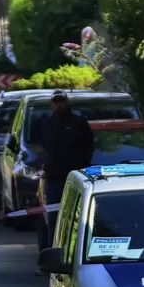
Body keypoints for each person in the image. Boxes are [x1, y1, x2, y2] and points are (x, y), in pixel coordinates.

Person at [33, 92, 94, 243]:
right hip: (54, 180)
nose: (59, 104)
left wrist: (82, 167)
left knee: (77, 219)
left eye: (62, 101)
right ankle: (52, 252)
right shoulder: (47, 124)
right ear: (52, 104)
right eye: (56, 101)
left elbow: (88, 147)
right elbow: (44, 148)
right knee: (53, 219)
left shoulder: (79, 123)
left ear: (67, 102)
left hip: (76, 180)